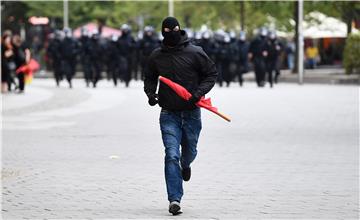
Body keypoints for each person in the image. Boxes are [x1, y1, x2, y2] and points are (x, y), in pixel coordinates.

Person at [144, 17, 218, 215]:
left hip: (192, 113)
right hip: (169, 114)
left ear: (180, 30)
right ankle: (174, 199)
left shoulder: (195, 53)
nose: (171, 33)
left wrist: (197, 94)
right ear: (162, 32)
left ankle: (186, 165)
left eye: (174, 29)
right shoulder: (156, 56)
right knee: (171, 154)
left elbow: (211, 74)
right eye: (167, 30)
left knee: (189, 151)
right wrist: (151, 94)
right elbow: (150, 77)